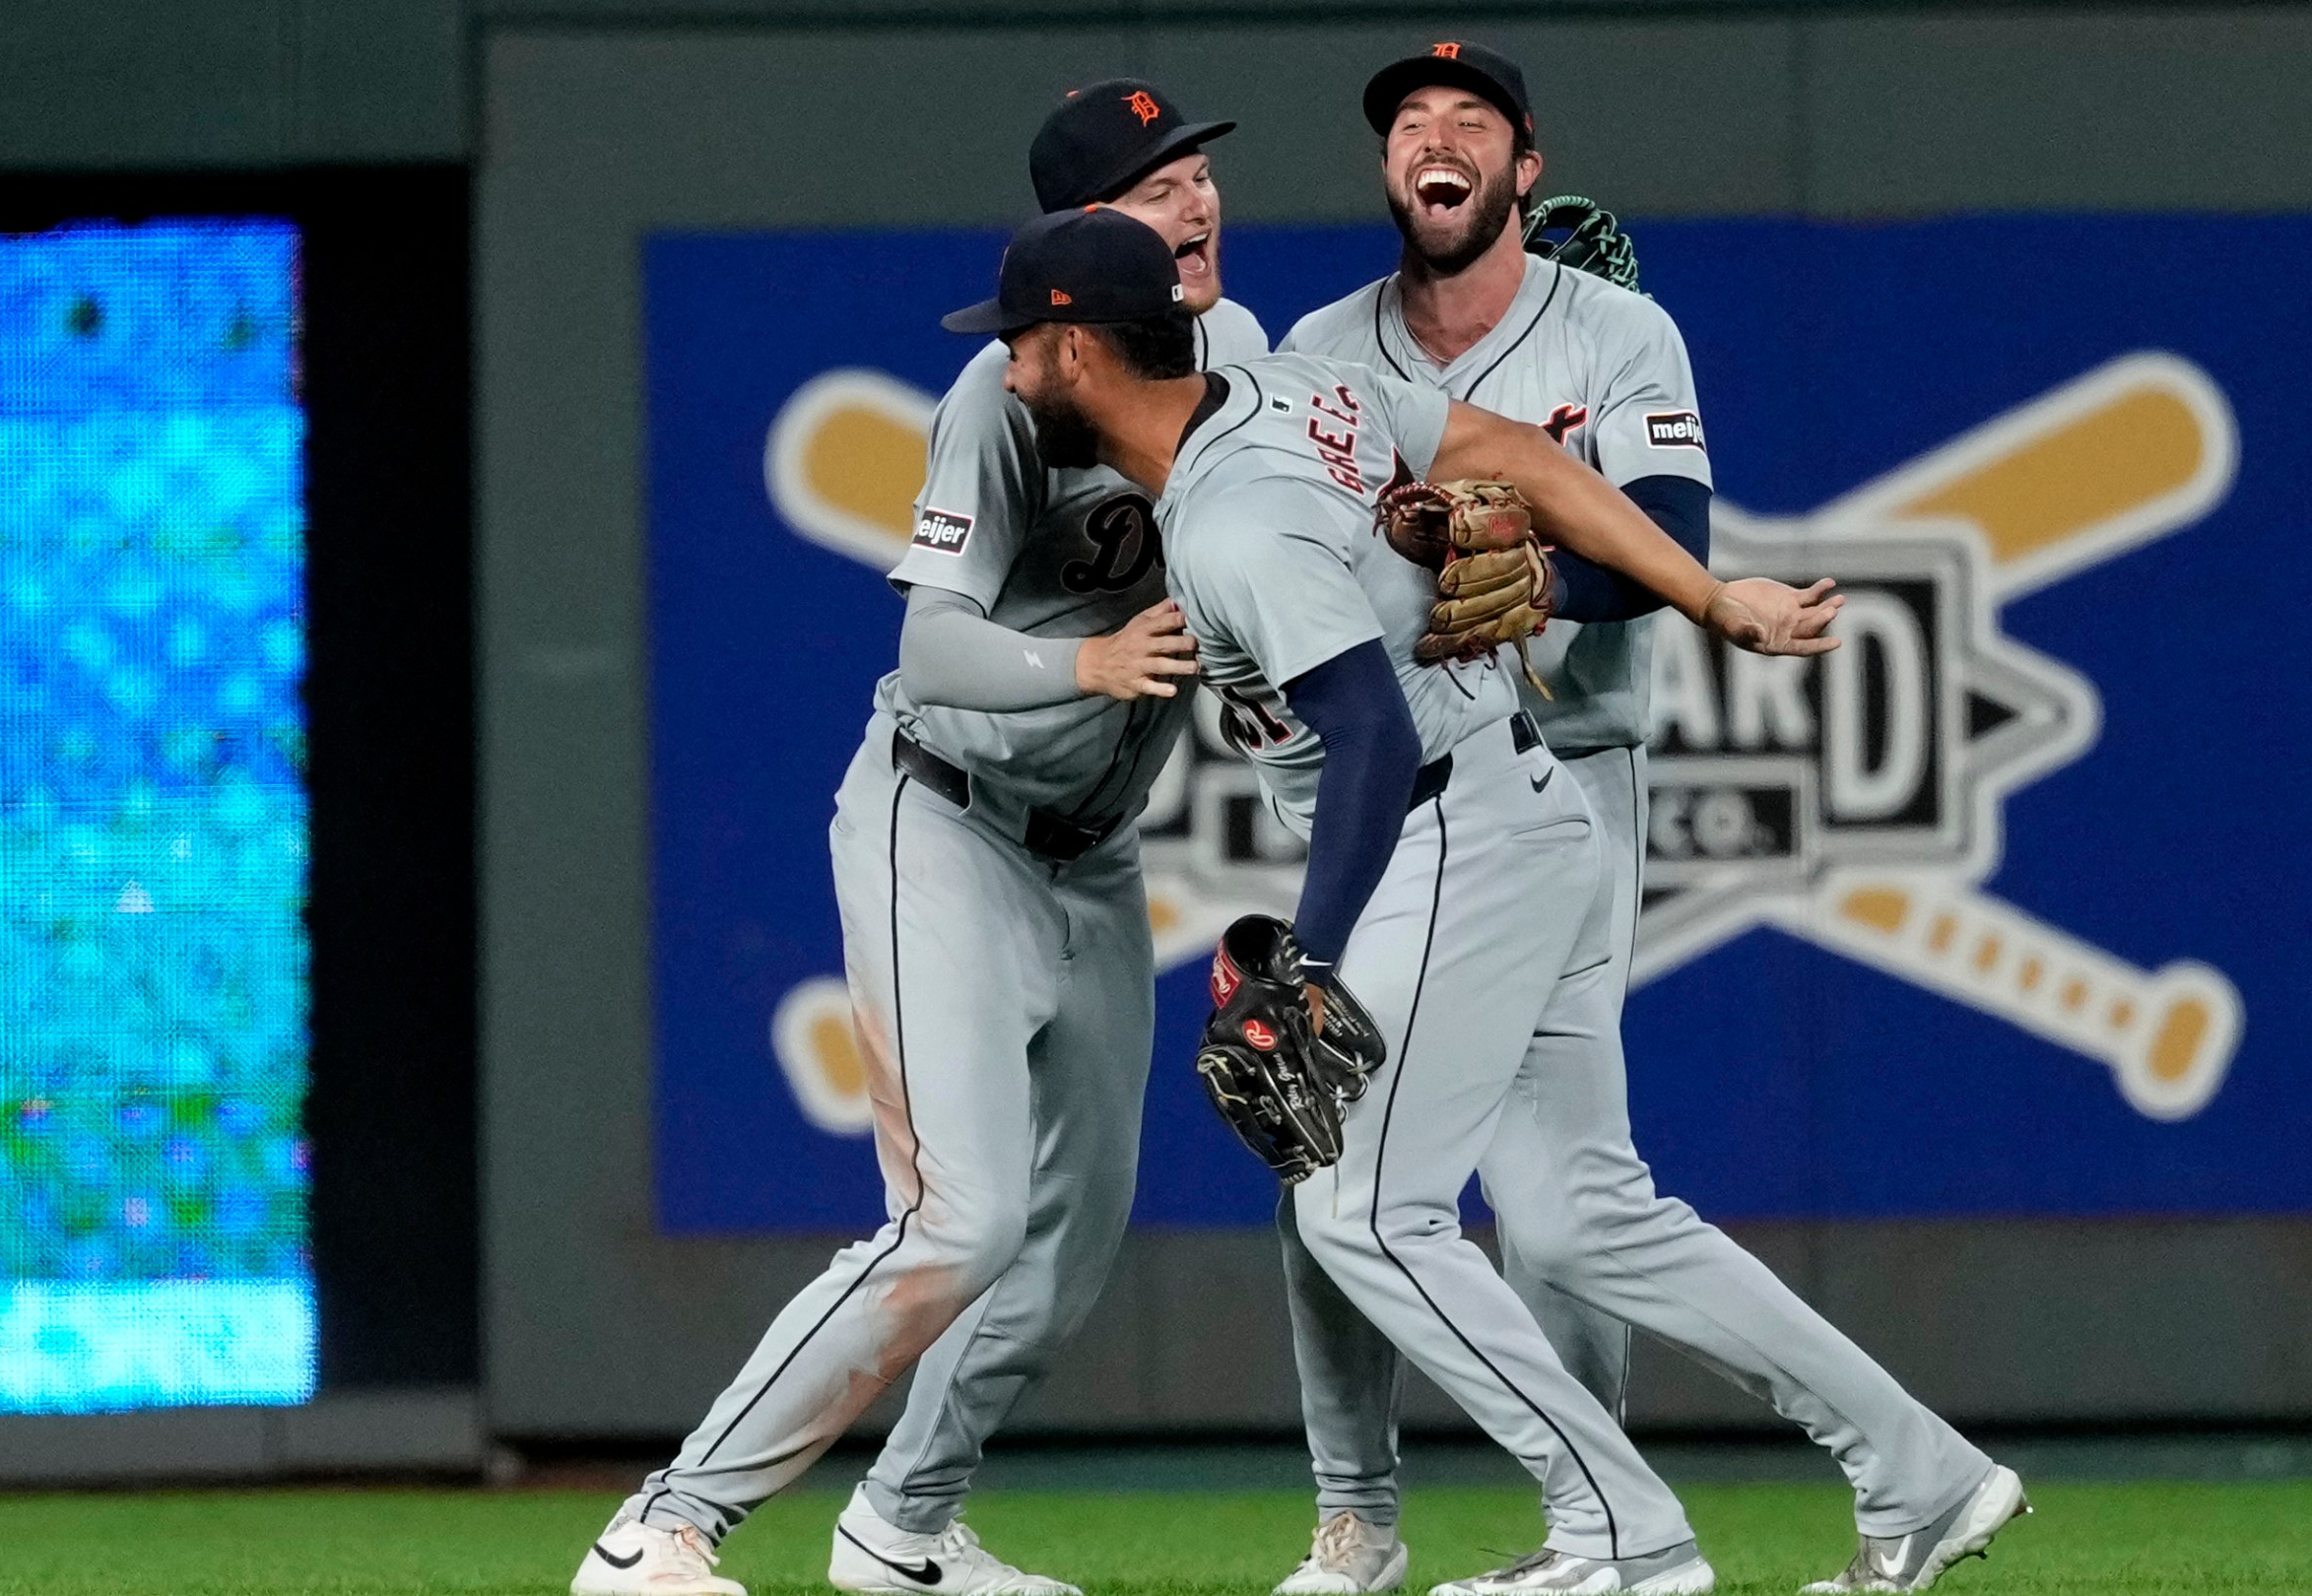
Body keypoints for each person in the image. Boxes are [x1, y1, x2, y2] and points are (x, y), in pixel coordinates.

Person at [958, 203, 2015, 1596]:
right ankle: (1925, 1475)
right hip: (1527, 812)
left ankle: (1620, 1539)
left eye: (1022, 347)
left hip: (1451, 835)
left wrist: (1308, 965)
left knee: (1363, 1215)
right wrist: (1711, 601)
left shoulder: (1231, 523)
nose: (1007, 376)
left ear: (1083, 351)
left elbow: (1375, 743)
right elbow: (1510, 452)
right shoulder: (1296, 391)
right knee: (1584, 1216)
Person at [1263, 41, 2026, 1596]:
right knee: (1553, 1204)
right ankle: (1907, 1471)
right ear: (1385, 169)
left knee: (1413, 1176)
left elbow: (1671, 541)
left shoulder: (1618, 330)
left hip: (1562, 776)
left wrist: (1542, 572)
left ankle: (1589, 1527)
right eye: (1408, 122)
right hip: (1398, 787)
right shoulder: (1320, 345)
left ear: (1524, 163)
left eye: (1469, 119)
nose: (1435, 138)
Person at [571, 81, 1266, 1596]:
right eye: (1160, 187)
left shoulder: (1249, 359)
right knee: (963, 1220)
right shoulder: (1001, 400)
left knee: (1069, 1247)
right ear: (1083, 241)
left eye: (1200, 172)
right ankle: (665, 1528)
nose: (1200, 200)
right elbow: (933, 652)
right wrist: (1084, 662)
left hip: (1096, 853)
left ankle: (903, 1529)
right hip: (942, 818)